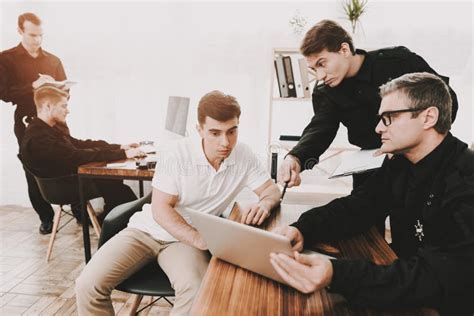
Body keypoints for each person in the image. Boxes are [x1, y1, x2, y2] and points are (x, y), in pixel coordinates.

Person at [271, 73, 474, 314]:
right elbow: (360, 206)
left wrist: (336, 274)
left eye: (388, 118)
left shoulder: (465, 178)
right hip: (406, 285)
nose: (378, 128)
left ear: (428, 117)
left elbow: (434, 277)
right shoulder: (400, 162)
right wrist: (303, 228)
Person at [75, 90, 281, 315]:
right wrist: (200, 239)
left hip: (183, 245)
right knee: (87, 285)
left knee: (197, 291)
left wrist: (264, 204)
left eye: (232, 131)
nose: (225, 142)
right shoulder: (176, 153)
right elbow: (161, 209)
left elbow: (271, 190)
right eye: (215, 133)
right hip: (146, 232)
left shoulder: (243, 155)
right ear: (199, 130)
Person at [278, 20, 458, 190]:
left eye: (322, 64)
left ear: (344, 49)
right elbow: (320, 129)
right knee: (360, 215)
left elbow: (447, 99)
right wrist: (296, 157)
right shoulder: (325, 91)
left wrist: (420, 144)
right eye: (314, 69)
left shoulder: (399, 62)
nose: (320, 76)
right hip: (370, 164)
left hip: (420, 158)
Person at [20, 86, 144, 222]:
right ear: (48, 106)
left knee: (115, 185)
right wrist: (123, 154)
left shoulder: (47, 129)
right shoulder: (39, 139)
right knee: (118, 189)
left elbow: (79, 144)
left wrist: (119, 147)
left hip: (66, 181)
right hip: (62, 188)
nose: (67, 111)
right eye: (63, 106)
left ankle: (111, 221)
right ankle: (126, 224)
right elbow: (79, 155)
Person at [0, 12, 70, 234]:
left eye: (40, 35)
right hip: (26, 120)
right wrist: (33, 86)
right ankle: (46, 217)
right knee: (32, 168)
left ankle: (79, 209)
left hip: (56, 120)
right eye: (32, 35)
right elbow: (3, 93)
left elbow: (66, 93)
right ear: (20, 31)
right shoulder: (5, 59)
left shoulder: (53, 60)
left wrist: (63, 90)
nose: (37, 40)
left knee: (70, 158)